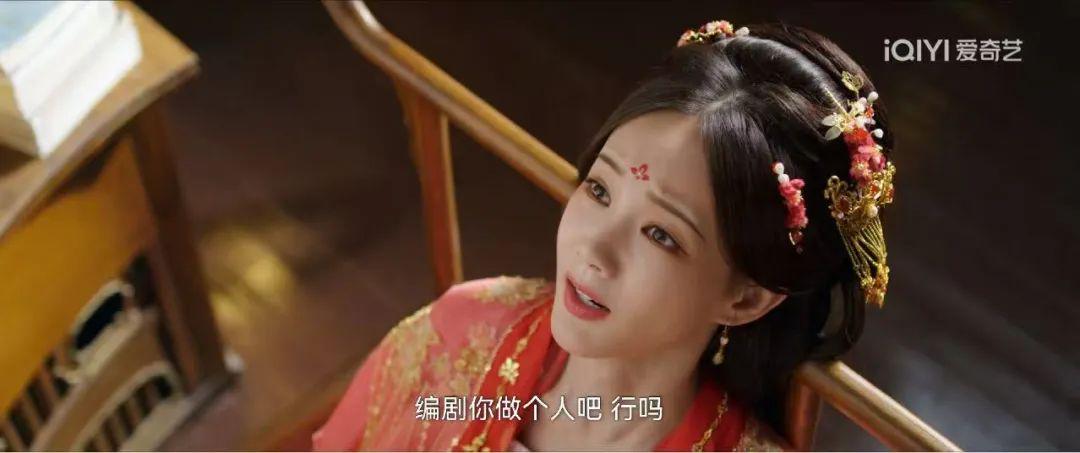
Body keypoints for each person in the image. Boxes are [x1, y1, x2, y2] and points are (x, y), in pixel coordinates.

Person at [313, 18, 897, 451]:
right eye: (598, 190)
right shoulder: (466, 329)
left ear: (745, 298)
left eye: (661, 235)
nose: (594, 249)